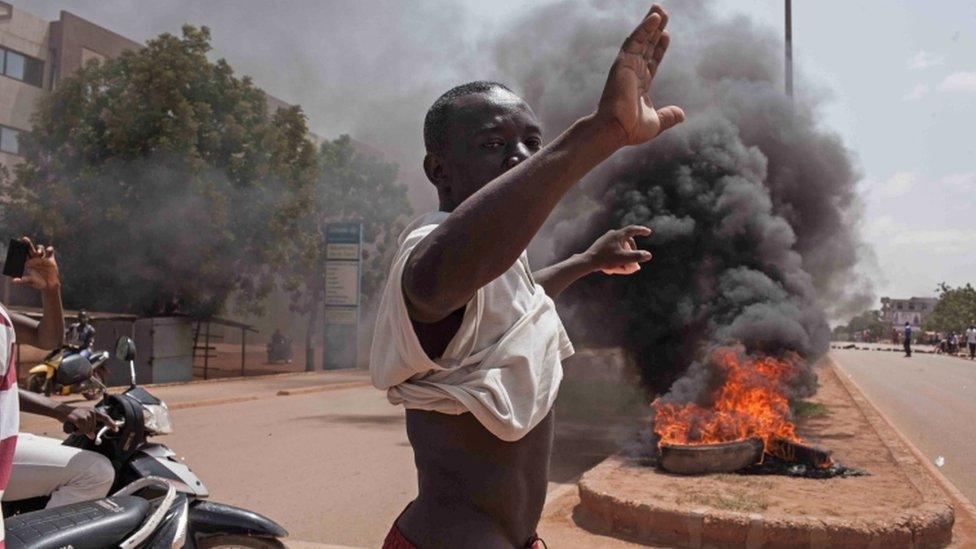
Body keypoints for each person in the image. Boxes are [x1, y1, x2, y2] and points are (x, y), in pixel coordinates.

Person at [370, 5, 684, 547]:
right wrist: (599, 133)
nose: (519, 158)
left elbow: (521, 299)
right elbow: (431, 288)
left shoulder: (494, 264)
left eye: (531, 145)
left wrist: (586, 262)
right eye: (493, 145)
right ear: (438, 170)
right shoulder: (428, 248)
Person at [0, 238, 115, 529]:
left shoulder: (2, 318)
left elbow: (47, 339)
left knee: (90, 466)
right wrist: (60, 410)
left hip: (6, 438)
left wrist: (51, 289)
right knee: (94, 473)